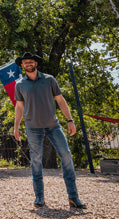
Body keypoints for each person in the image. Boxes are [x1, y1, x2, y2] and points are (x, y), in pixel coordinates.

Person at [12, 52, 86, 210]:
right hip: (32, 127)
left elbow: (60, 100)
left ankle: (73, 197)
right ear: (22, 66)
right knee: (36, 161)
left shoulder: (49, 79)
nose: (28, 64)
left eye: (31, 62)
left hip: (53, 125)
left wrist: (70, 121)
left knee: (66, 156)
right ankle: (39, 197)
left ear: (36, 64)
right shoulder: (19, 85)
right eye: (25, 63)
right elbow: (19, 107)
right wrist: (16, 127)